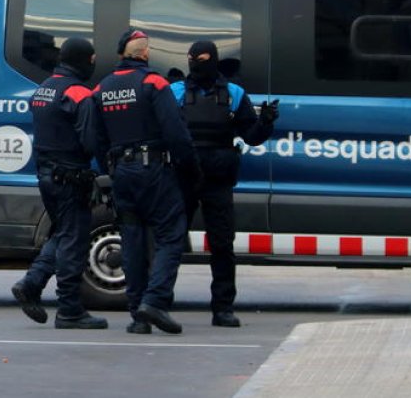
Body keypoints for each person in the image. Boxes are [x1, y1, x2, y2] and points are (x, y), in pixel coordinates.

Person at [91, 29, 198, 335]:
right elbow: (176, 133)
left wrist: (109, 171)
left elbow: (96, 137)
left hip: (121, 173)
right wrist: (190, 169)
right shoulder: (154, 83)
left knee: (133, 241)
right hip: (154, 172)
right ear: (145, 53)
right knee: (171, 235)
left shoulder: (102, 88)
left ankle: (138, 314)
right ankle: (156, 301)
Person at [170, 41, 278, 328]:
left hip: (218, 179)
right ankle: (158, 302)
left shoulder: (233, 93)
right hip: (184, 176)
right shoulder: (176, 91)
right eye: (193, 58)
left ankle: (223, 308)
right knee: (170, 242)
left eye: (203, 58)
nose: (197, 62)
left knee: (222, 245)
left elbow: (251, 135)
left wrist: (265, 122)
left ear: (215, 60)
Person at [11, 37, 108, 330]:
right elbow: (91, 140)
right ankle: (69, 309)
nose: (93, 64)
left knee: (63, 233)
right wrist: (107, 172)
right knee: (73, 241)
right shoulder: (78, 93)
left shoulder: (44, 89)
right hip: (70, 176)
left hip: (46, 175)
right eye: (91, 60)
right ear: (82, 59)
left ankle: (31, 283)